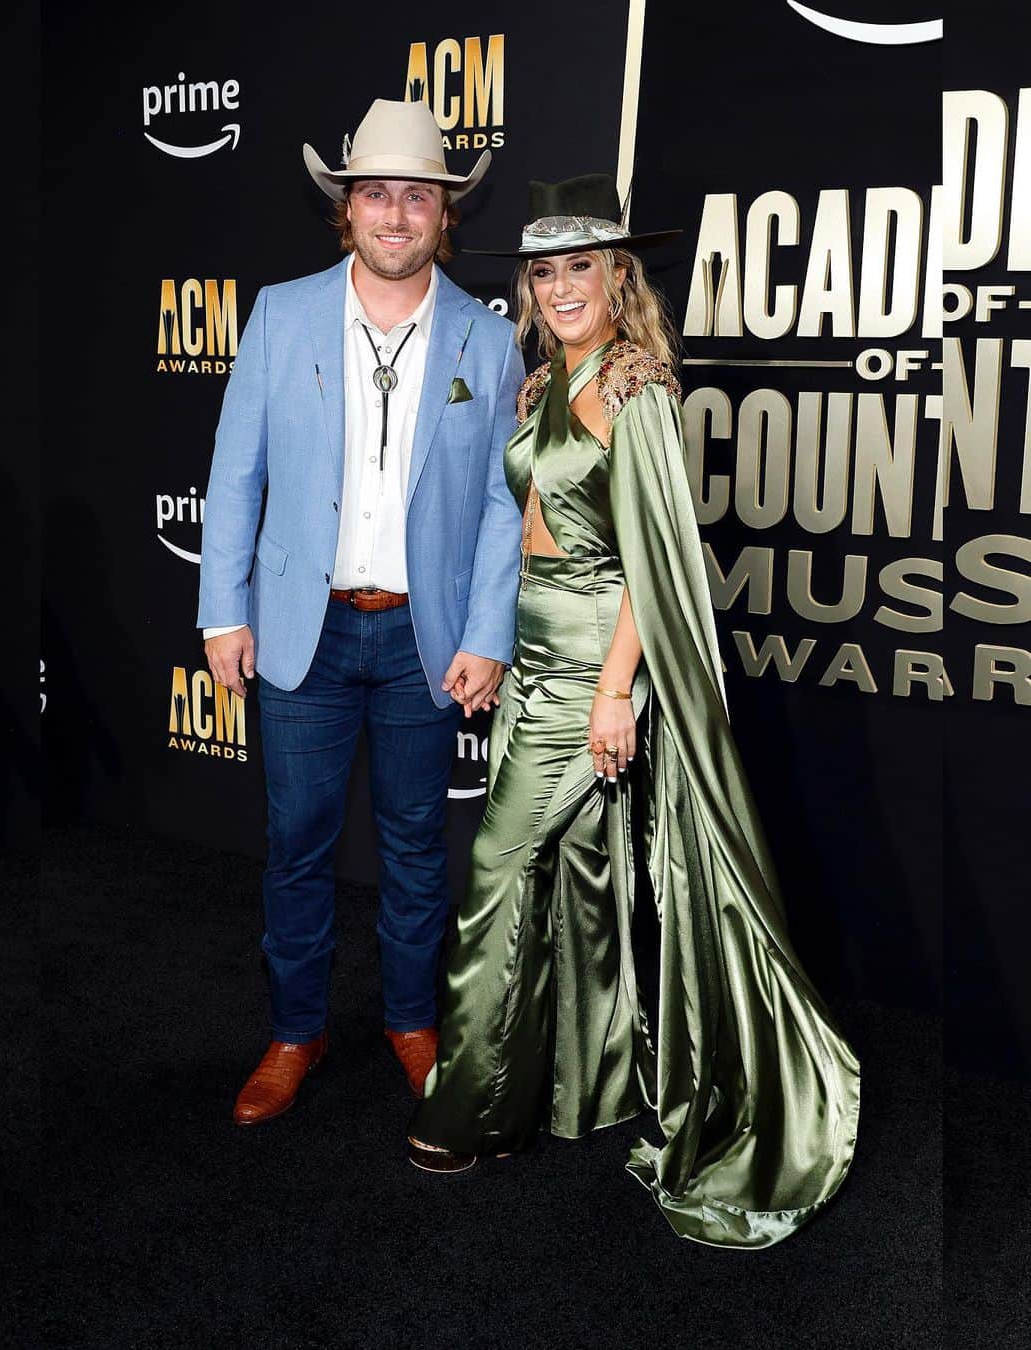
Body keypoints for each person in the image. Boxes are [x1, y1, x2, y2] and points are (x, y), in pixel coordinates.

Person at [406, 174, 860, 1249]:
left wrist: (617, 691)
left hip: (591, 671)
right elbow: (529, 533)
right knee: (579, 882)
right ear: (532, 283)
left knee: (492, 880)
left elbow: (656, 568)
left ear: (620, 276)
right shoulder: (546, 379)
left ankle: (470, 1112)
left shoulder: (638, 387)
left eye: (584, 266)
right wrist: (499, 652)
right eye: (546, 269)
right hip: (534, 657)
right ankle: (575, 1091)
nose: (563, 286)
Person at [197, 99, 525, 1126]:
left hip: (424, 640)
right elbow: (234, 473)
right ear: (347, 208)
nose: (395, 213)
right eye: (376, 193)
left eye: (416, 195)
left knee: (419, 844)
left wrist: (485, 632)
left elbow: (504, 505)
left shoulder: (487, 336)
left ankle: (412, 1020)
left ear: (444, 215)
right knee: (296, 841)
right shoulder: (281, 314)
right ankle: (295, 1032)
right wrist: (222, 613)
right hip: (308, 630)